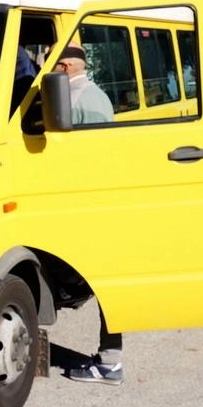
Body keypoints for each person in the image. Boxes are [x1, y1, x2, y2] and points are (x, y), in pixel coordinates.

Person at [54, 43, 122, 385]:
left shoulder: (87, 102)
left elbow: (93, 163)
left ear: (65, 68)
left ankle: (110, 361)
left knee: (108, 287)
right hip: (92, 207)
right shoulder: (84, 97)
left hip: (91, 209)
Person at [51, 43, 114, 125]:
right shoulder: (101, 95)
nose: (48, 71)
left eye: (50, 65)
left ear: (64, 67)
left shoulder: (68, 100)